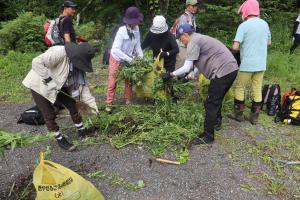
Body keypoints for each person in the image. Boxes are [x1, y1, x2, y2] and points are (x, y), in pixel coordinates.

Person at [162, 24, 239, 144]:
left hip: (222, 72)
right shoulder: (200, 38)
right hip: (232, 69)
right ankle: (216, 121)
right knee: (216, 98)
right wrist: (190, 77)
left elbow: (187, 66)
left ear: (185, 35)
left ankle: (208, 136)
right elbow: (198, 64)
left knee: (210, 103)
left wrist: (170, 74)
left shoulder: (193, 42)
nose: (180, 41)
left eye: (180, 38)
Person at [22, 42, 96, 151]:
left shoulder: (77, 67)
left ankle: (82, 131)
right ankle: (60, 139)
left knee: (72, 106)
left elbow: (83, 89)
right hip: (39, 84)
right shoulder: (59, 53)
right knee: (49, 114)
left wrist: (93, 107)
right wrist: (48, 80)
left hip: (58, 84)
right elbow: (36, 62)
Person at [229, 0, 271, 125]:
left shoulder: (244, 26)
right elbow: (269, 42)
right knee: (257, 88)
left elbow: (235, 47)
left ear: (246, 10)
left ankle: (238, 115)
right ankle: (254, 118)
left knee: (240, 87)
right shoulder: (265, 24)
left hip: (247, 63)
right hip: (261, 63)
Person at [105, 6, 144, 112]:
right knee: (113, 81)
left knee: (129, 80)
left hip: (129, 58)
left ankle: (128, 100)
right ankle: (109, 103)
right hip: (117, 58)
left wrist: (141, 58)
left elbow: (138, 46)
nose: (138, 23)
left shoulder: (137, 29)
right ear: (130, 21)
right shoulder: (121, 31)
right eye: (136, 21)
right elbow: (116, 49)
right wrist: (130, 60)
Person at [142, 15, 179, 100]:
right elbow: (143, 45)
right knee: (157, 78)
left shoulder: (169, 36)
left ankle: (171, 95)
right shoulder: (151, 34)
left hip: (169, 62)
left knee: (168, 79)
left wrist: (166, 53)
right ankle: (157, 96)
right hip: (157, 61)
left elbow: (176, 49)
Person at [174, 0, 203, 69]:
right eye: (193, 6)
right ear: (187, 6)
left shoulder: (192, 17)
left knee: (188, 65)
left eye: (196, 6)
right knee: (181, 64)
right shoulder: (184, 18)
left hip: (189, 43)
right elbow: (181, 35)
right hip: (183, 45)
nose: (195, 7)